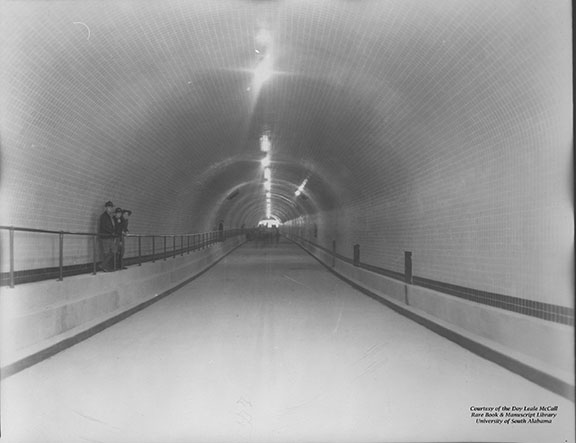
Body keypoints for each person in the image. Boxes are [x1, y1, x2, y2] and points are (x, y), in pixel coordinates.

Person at [98, 201, 117, 272]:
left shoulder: (109, 216)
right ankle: (105, 267)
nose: (111, 209)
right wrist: (111, 232)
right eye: (109, 207)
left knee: (114, 251)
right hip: (105, 237)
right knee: (106, 252)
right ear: (106, 208)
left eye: (111, 207)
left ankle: (103, 265)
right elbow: (104, 227)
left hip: (109, 237)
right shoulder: (103, 216)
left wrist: (113, 232)